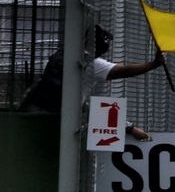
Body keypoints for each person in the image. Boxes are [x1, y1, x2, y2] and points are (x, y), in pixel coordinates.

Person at [22, 26, 165, 139]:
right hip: (56, 121)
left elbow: (87, 107)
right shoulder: (92, 64)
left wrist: (128, 127)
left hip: (33, 110)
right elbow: (123, 70)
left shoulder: (62, 55)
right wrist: (153, 64)